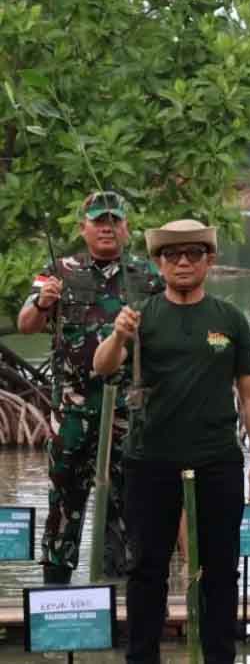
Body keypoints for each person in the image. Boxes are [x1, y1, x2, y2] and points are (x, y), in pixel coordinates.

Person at [93, 219, 250, 664]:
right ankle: (142, 657)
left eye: (194, 254)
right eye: (173, 255)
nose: (184, 262)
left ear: (210, 260)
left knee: (220, 571)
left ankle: (219, 656)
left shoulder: (229, 318)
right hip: (150, 458)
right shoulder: (141, 315)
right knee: (145, 570)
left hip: (217, 459)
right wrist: (118, 335)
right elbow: (102, 366)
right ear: (159, 263)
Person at [17, 191, 164, 584]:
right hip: (71, 408)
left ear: (126, 228)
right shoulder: (58, 270)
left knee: (126, 499)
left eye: (115, 220)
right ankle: (56, 584)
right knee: (65, 495)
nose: (107, 227)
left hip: (127, 409)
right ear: (84, 229)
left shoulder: (147, 276)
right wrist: (43, 303)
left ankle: (118, 589)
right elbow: (25, 323)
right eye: (99, 221)